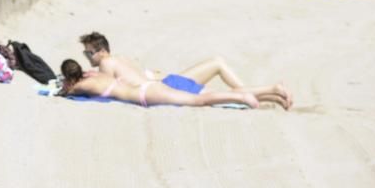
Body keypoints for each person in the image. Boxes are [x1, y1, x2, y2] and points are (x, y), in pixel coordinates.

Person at [77, 31, 291, 109]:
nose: (88, 59)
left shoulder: (106, 64)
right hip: (168, 81)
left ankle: (271, 89)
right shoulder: (121, 58)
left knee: (214, 96)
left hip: (164, 86)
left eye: (89, 54)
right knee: (215, 83)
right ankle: (273, 95)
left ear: (102, 51)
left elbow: (106, 88)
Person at [57, 59, 290, 110]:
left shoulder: (81, 85)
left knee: (200, 100)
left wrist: (64, 87)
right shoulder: (94, 76)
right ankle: (271, 93)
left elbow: (66, 91)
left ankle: (242, 98)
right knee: (205, 97)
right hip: (152, 86)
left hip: (148, 94)